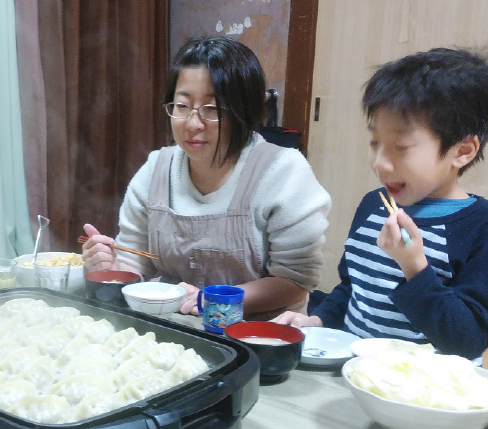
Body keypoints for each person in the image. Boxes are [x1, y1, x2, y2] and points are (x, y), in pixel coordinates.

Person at [275, 47, 488, 360]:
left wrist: (414, 267)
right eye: (375, 143)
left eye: (401, 147)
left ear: (463, 150)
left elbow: (467, 339)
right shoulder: (373, 205)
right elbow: (352, 289)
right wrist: (316, 321)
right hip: (356, 376)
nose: (380, 163)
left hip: (431, 393)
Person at [81, 36, 331, 319]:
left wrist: (211, 300)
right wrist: (109, 267)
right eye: (182, 106)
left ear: (244, 111)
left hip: (261, 335)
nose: (193, 123)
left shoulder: (283, 172)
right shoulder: (156, 170)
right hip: (177, 326)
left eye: (213, 109)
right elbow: (134, 261)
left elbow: (295, 282)